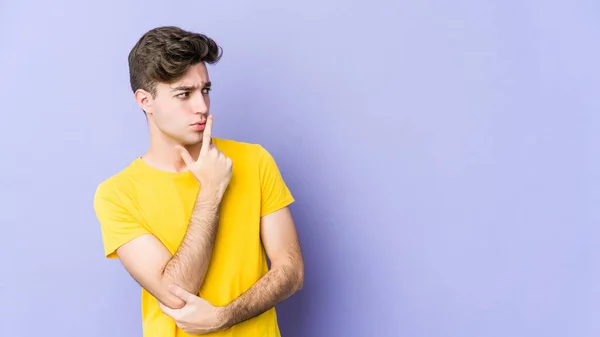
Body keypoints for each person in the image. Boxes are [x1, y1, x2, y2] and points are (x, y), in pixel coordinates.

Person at [93, 25, 304, 337]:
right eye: (184, 94)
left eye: (205, 90)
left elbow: (291, 271)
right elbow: (176, 290)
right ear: (144, 100)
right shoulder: (118, 195)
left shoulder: (254, 161)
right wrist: (211, 190)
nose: (202, 107)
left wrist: (226, 316)